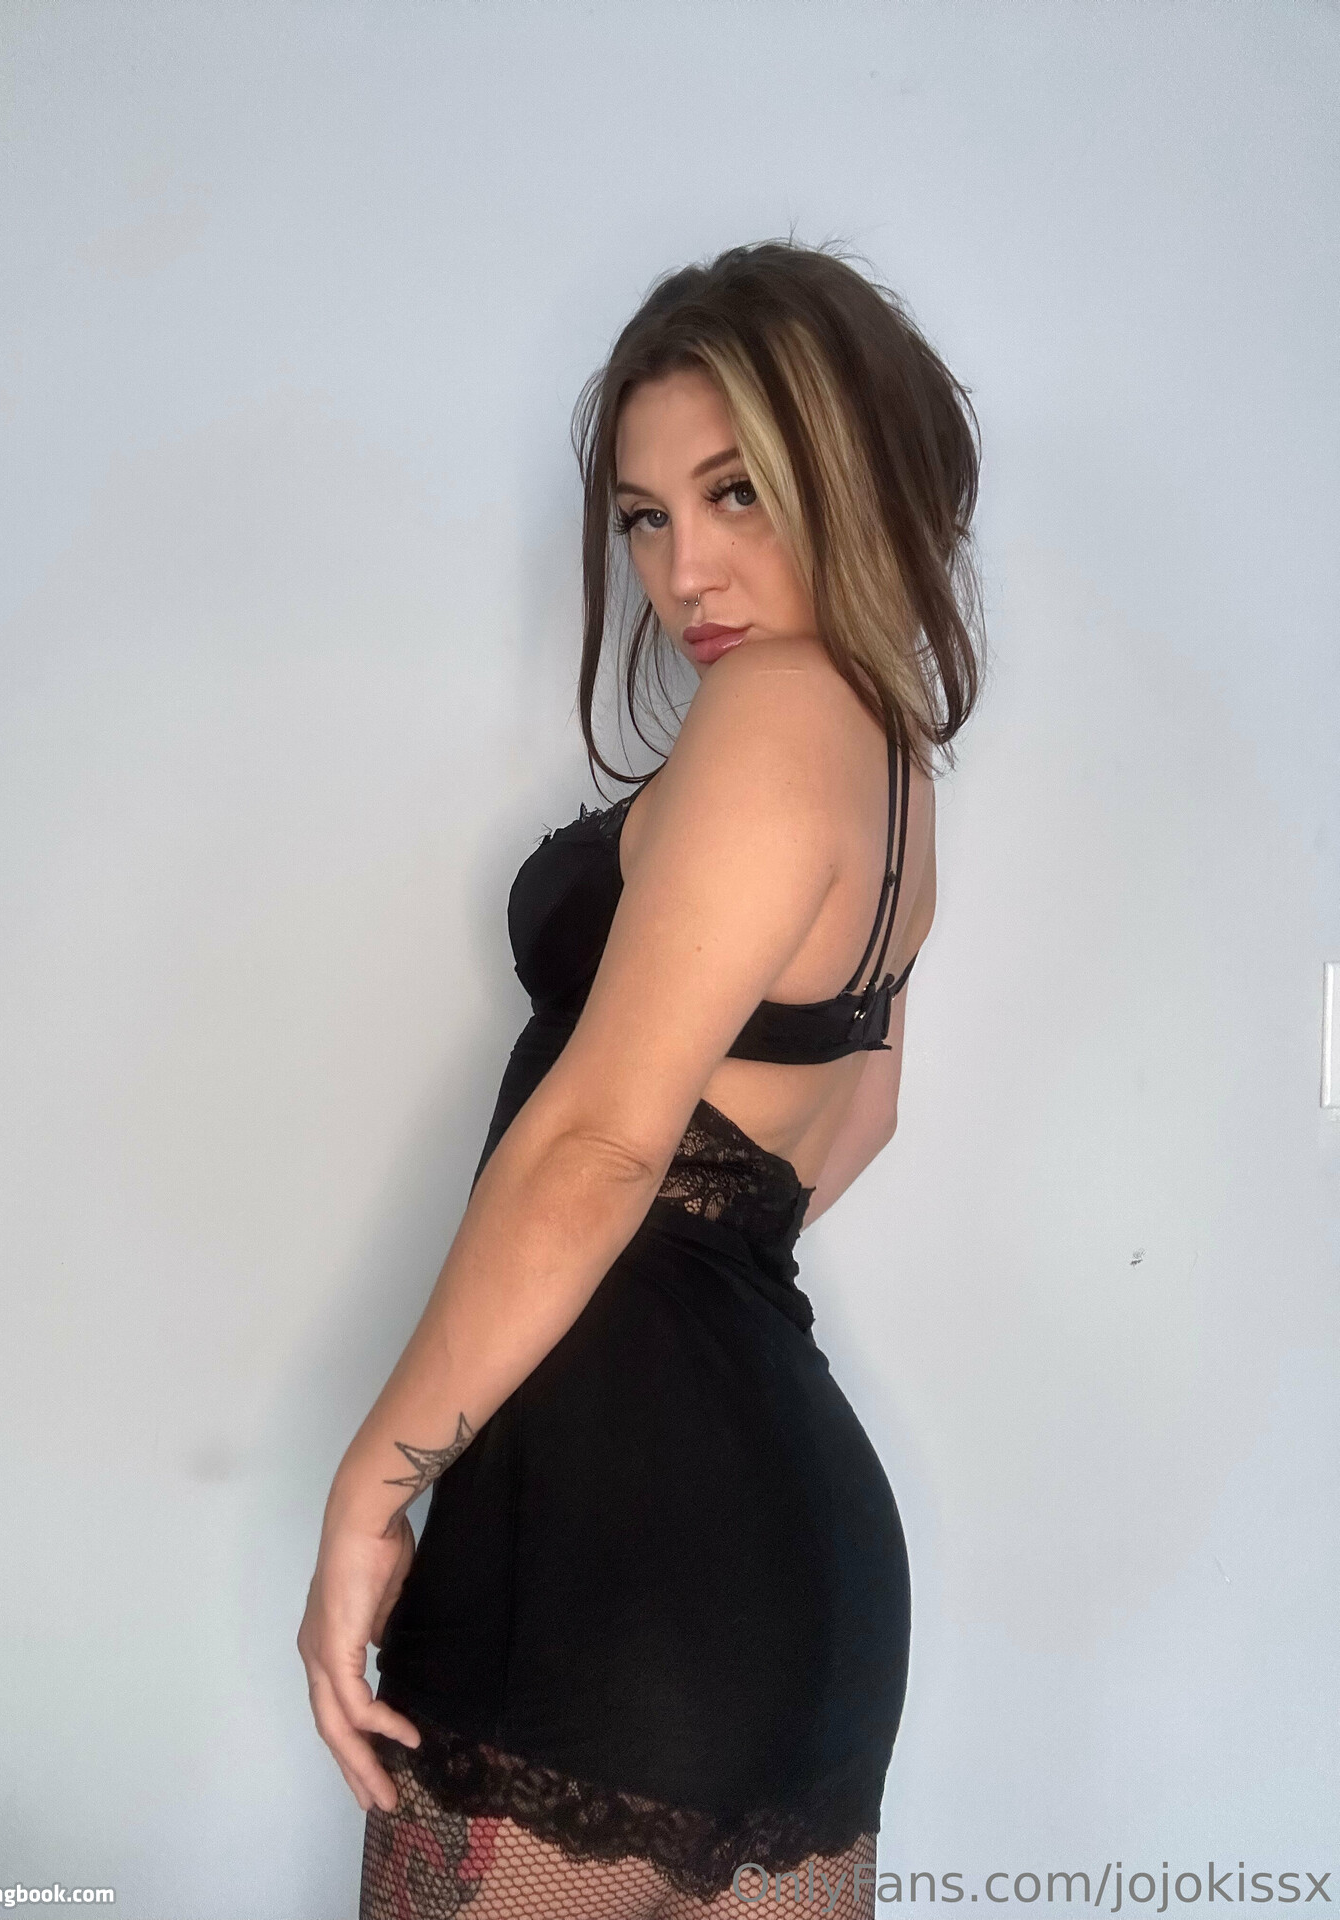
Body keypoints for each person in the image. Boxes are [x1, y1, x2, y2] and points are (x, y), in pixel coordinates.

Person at [298, 236, 985, 1919]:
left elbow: (601, 1144)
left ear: (852, 468)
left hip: (606, 1565)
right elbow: (861, 1112)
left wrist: (376, 1489)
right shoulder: (895, 767)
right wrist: (693, 1263)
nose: (686, 570)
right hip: (801, 1579)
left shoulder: (775, 712)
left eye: (736, 492)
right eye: (645, 517)